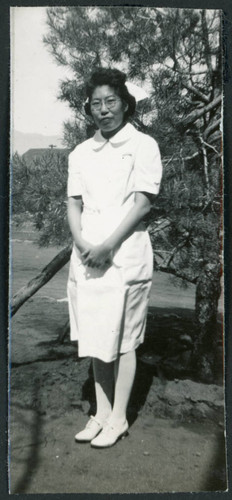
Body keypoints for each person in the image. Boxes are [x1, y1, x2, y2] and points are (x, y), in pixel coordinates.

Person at [67, 68, 162, 448]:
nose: (103, 110)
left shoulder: (143, 146)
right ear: (88, 109)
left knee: (122, 339)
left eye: (111, 102)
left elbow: (142, 204)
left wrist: (107, 244)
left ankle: (119, 417)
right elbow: (73, 203)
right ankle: (101, 414)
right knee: (95, 336)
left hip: (124, 253)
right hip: (88, 255)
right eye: (96, 103)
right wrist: (81, 241)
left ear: (125, 103)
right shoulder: (80, 152)